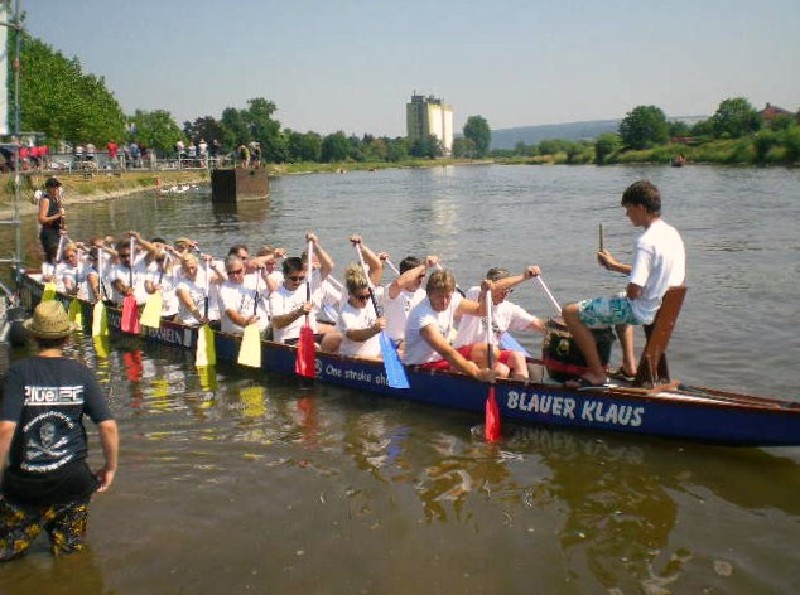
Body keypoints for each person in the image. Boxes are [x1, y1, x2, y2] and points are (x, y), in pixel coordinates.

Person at [0, 301, 119, 560]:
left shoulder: (17, 374)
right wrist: (110, 468)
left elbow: (5, 429)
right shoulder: (81, 374)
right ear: (67, 338)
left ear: (33, 336)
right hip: (73, 484)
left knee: (8, 554)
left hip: (25, 486)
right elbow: (107, 425)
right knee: (71, 557)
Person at [562, 180, 686, 387]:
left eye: (629, 209)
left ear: (641, 208)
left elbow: (634, 291)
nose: (627, 215)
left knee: (570, 312)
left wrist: (630, 289)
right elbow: (656, 274)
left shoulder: (645, 241)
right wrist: (615, 266)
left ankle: (597, 374)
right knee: (619, 298)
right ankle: (629, 366)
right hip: (662, 306)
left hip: (643, 310)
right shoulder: (672, 234)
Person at [454, 266, 547, 379]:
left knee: (518, 357)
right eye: (503, 289)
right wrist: (524, 276)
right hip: (463, 353)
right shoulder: (475, 294)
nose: (505, 294)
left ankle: (523, 387)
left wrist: (560, 327)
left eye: (509, 290)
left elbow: (537, 324)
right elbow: (493, 288)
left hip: (490, 355)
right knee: (500, 368)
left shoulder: (509, 309)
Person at [402, 269, 495, 381]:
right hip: (421, 367)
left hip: (441, 359)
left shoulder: (453, 299)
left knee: (491, 352)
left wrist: (484, 294)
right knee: (478, 367)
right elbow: (446, 351)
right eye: (439, 296)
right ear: (429, 294)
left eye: (448, 296)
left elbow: (481, 311)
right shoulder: (423, 316)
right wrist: (477, 373)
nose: (444, 301)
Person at [381, 254, 438, 351]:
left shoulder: (423, 295)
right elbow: (398, 283)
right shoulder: (392, 291)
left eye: (422, 276)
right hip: (395, 343)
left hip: (416, 342)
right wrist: (424, 265)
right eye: (417, 276)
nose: (420, 280)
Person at [336, 264, 386, 360]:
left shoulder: (371, 303)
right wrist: (374, 330)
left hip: (376, 354)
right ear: (350, 295)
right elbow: (355, 336)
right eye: (361, 298)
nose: (365, 301)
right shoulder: (346, 313)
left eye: (367, 296)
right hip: (356, 358)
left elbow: (377, 268)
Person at [38, 177, 66, 264]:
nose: (56, 189)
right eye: (54, 187)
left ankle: (54, 269)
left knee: (60, 254)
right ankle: (49, 269)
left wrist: (63, 226)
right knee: (53, 256)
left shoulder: (57, 199)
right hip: (49, 233)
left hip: (57, 232)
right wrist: (57, 216)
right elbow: (41, 219)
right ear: (49, 188)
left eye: (57, 187)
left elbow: (61, 217)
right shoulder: (46, 200)